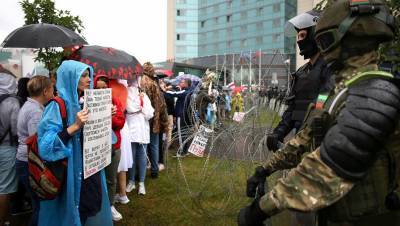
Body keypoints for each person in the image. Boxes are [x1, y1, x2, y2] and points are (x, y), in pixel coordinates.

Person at [239, 1, 400, 226]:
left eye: (323, 40)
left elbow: (326, 170)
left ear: (340, 39)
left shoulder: (373, 95)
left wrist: (260, 209)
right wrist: (265, 169)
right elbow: (306, 134)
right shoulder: (344, 92)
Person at [37, 60, 112, 226]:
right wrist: (74, 127)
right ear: (71, 78)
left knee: (87, 208)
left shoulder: (85, 102)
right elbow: (46, 146)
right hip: (68, 173)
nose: (89, 79)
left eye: (88, 75)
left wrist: (106, 116)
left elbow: (102, 137)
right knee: (69, 212)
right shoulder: (57, 106)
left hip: (88, 170)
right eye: (83, 75)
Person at [266, 10, 334, 152]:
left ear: (315, 34)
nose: (298, 40)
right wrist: (279, 132)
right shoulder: (300, 73)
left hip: (321, 141)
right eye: (297, 36)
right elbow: (292, 108)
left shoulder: (329, 67)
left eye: (302, 35)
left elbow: (323, 100)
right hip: (300, 138)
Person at [16, 76, 54, 226]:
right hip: (29, 163)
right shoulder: (35, 112)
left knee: (37, 205)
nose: (53, 92)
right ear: (45, 91)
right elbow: (37, 142)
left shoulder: (31, 106)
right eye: (52, 89)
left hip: (25, 160)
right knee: (40, 207)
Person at [94, 75, 125, 221]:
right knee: (97, 179)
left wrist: (109, 117)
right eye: (97, 88)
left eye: (103, 88)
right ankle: (98, 206)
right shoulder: (89, 102)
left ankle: (110, 204)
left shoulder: (115, 101)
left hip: (114, 146)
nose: (101, 91)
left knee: (111, 179)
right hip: (96, 148)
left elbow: (120, 123)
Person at [125, 78, 154, 196]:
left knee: (142, 156)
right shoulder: (125, 92)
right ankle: (131, 181)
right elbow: (129, 108)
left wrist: (142, 104)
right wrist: (140, 107)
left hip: (142, 129)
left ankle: (141, 182)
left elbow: (150, 113)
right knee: (131, 156)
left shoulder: (143, 95)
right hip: (130, 127)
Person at [140, 62, 168, 178]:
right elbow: (161, 104)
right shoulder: (154, 83)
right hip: (154, 118)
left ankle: (141, 169)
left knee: (143, 145)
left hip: (144, 118)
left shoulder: (140, 82)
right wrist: (164, 120)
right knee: (154, 145)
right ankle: (155, 170)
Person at [0, 69, 21, 226]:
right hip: (7, 147)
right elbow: (16, 130)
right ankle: (3, 220)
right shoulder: (13, 102)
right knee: (5, 187)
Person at [162, 79, 193, 157]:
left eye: (182, 82)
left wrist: (164, 90)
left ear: (186, 84)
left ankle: (181, 152)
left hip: (181, 115)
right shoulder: (189, 91)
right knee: (184, 133)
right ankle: (185, 151)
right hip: (185, 115)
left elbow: (173, 93)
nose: (180, 83)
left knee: (180, 133)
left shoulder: (184, 92)